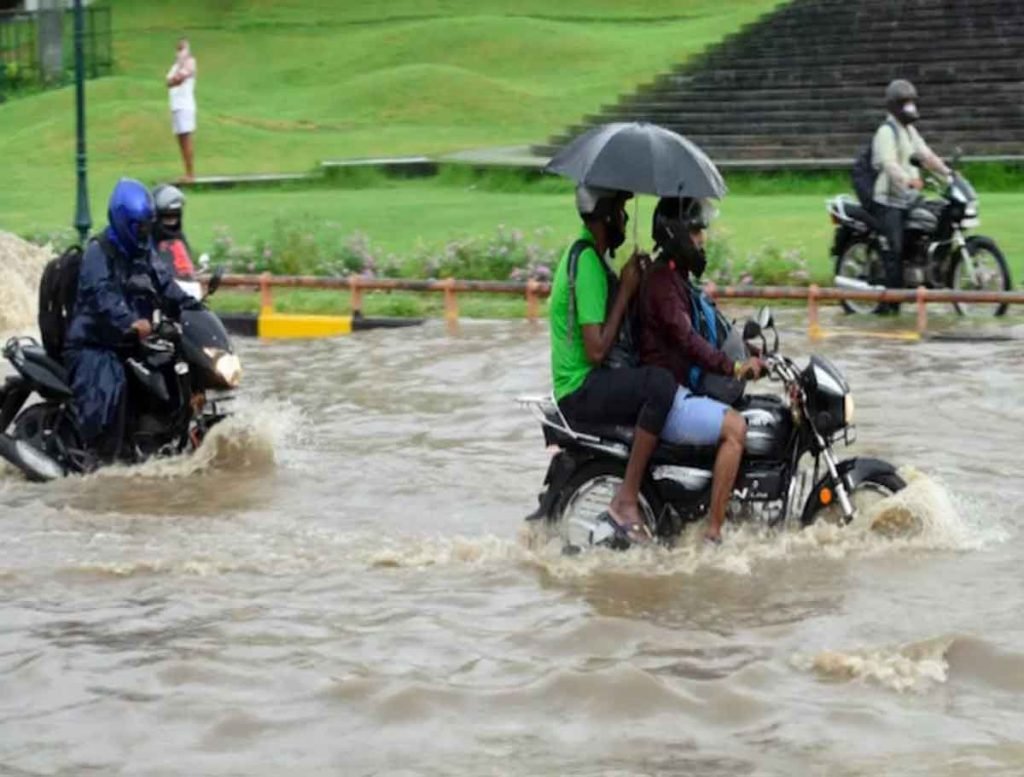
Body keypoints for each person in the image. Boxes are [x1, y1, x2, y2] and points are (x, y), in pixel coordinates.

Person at [549, 184, 677, 543]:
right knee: (660, 386)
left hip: (589, 380)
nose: (624, 218)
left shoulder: (589, 257)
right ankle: (626, 499)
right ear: (605, 215)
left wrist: (632, 283)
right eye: (620, 210)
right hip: (580, 387)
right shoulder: (588, 263)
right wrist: (625, 290)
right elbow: (596, 350)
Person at [635, 197, 764, 544]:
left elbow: (707, 333)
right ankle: (713, 533)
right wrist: (734, 367)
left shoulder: (676, 279)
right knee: (736, 429)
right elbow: (688, 341)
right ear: (675, 233)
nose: (702, 240)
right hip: (670, 396)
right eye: (695, 232)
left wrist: (748, 352)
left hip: (680, 388)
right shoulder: (663, 284)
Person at [64, 178, 201, 463]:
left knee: (166, 375)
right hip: (94, 343)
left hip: (130, 342)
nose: (144, 233)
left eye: (147, 227)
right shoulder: (98, 253)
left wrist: (192, 306)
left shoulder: (143, 251)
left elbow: (165, 283)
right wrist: (130, 321)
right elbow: (103, 296)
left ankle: (158, 441)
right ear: (124, 222)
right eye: (139, 228)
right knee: (111, 387)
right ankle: (101, 459)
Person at [870, 78, 950, 313]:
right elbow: (888, 163)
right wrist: (907, 179)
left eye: (912, 103)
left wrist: (948, 173)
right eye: (906, 103)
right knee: (894, 251)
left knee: (927, 229)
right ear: (895, 105)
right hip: (889, 200)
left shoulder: (909, 130)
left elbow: (926, 155)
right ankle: (888, 304)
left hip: (909, 199)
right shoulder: (886, 132)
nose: (911, 108)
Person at [152, 183, 201, 299]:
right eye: (167, 217)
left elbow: (186, 264)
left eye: (175, 216)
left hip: (182, 294)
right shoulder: (147, 238)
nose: (171, 221)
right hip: (155, 295)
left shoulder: (179, 238)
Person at [166, 37, 197, 182]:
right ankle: (186, 172)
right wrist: (175, 77)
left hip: (185, 106)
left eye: (182, 49)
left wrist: (176, 78)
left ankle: (190, 173)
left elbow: (179, 79)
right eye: (178, 49)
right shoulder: (175, 66)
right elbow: (169, 82)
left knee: (186, 138)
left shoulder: (190, 62)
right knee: (180, 140)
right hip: (175, 105)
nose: (180, 52)